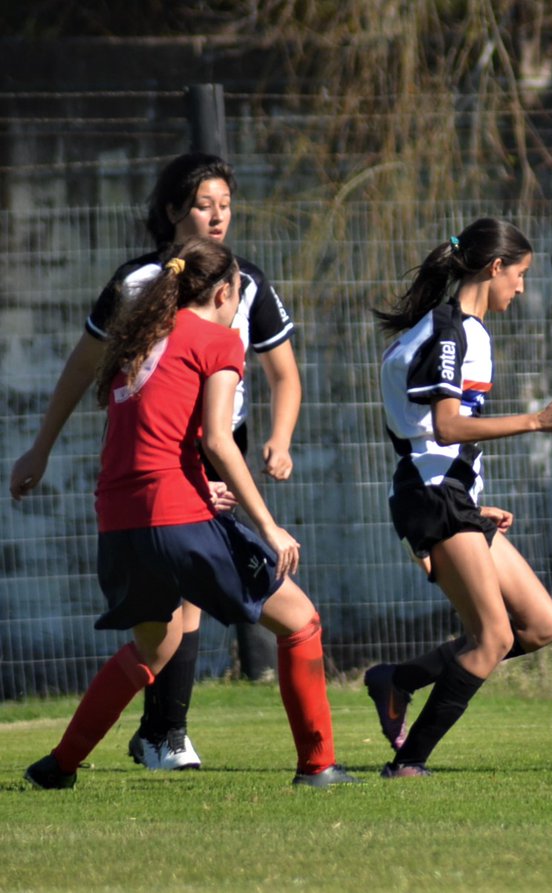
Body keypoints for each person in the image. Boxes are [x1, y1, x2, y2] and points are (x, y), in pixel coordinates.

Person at [22, 237, 356, 789]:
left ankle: (58, 766)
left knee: (155, 647)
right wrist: (268, 526)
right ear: (225, 292)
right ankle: (318, 767)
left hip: (121, 522)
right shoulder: (219, 341)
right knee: (301, 622)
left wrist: (199, 486)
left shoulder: (137, 342)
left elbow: (147, 439)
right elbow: (221, 442)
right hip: (176, 519)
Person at [9, 152, 301, 771]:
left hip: (219, 448)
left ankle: (150, 736)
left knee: (177, 608)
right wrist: (41, 445)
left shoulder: (246, 283)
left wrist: (281, 436)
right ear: (172, 211)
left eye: (226, 204)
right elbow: (83, 368)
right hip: (163, 452)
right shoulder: (136, 282)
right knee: (184, 605)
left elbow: (285, 373)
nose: (218, 216)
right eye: (203, 204)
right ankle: (164, 733)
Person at [364, 217, 552, 778]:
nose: (521, 287)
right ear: (494, 268)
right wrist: (537, 421)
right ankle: (409, 763)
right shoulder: (449, 333)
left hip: (449, 494)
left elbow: (430, 428)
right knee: (492, 637)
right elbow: (444, 427)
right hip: (432, 493)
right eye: (518, 275)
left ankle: (400, 678)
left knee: (541, 625)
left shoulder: (462, 330)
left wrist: (472, 499)